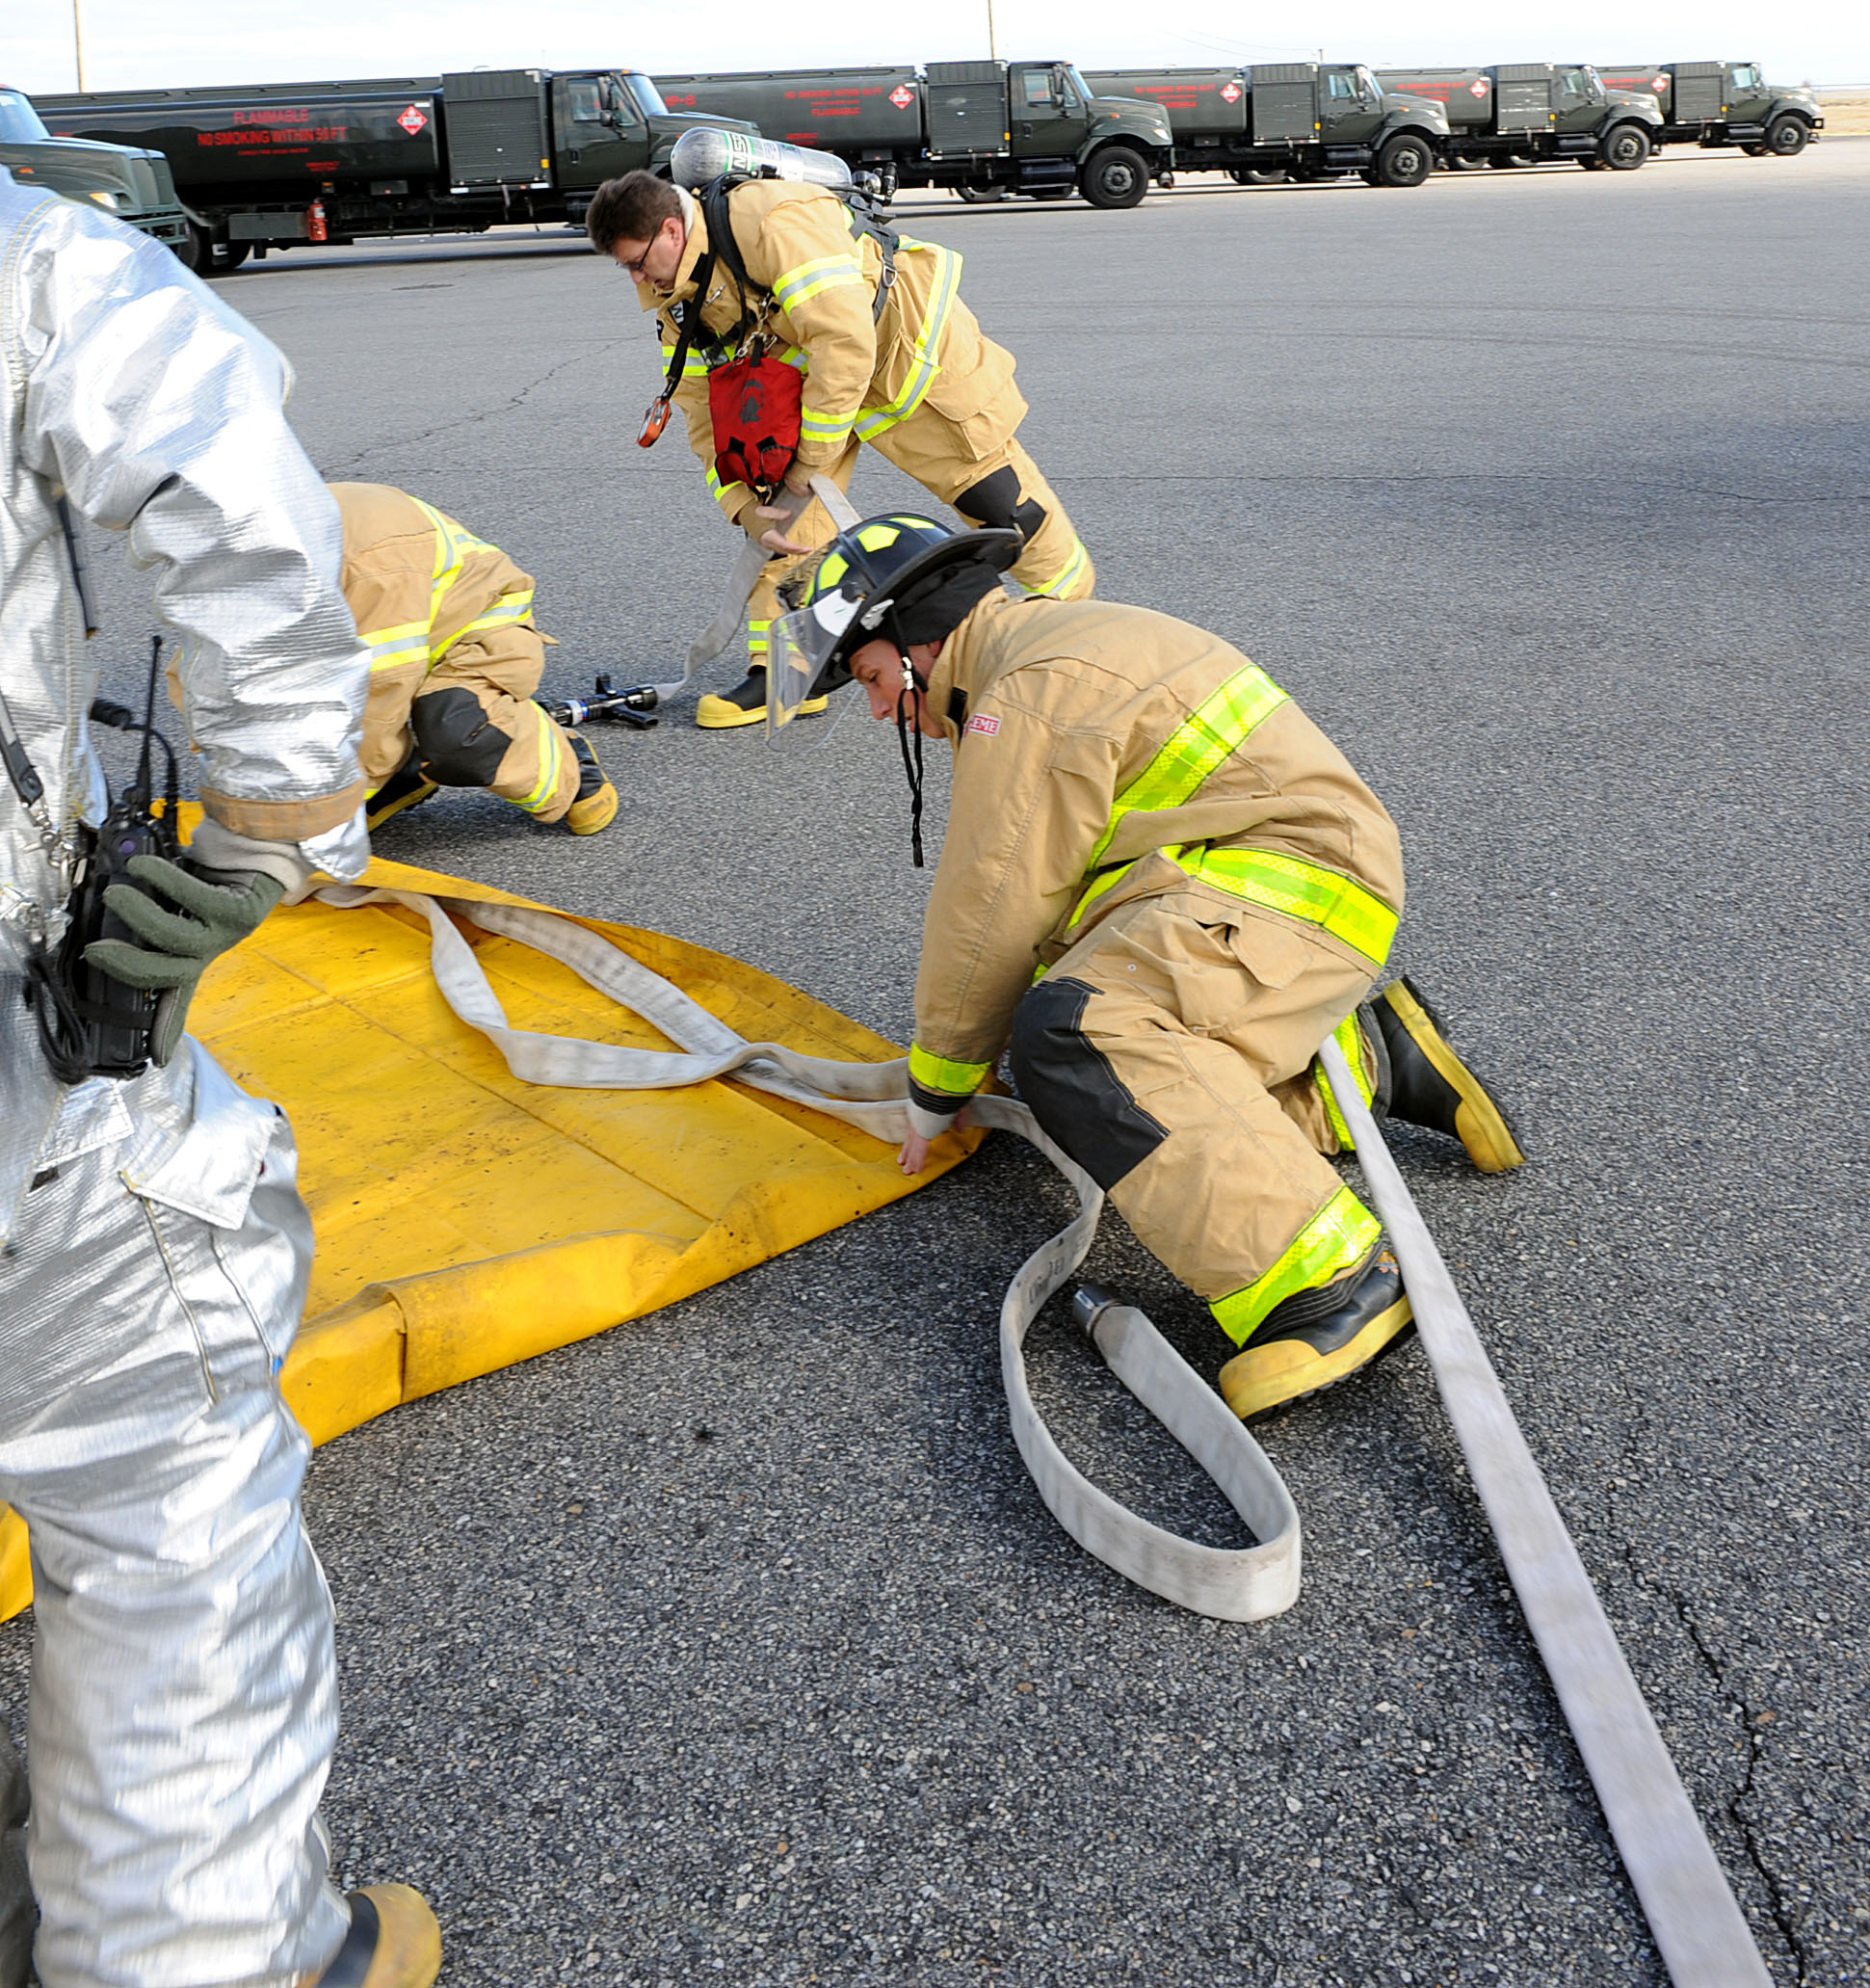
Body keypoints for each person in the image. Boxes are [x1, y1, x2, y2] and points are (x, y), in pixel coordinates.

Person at [0, 173, 438, 1985]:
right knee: (162, 1475)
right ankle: (215, 1951)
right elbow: (240, 507)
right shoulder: (31, 260)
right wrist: (268, 837)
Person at [767, 514, 1525, 1418]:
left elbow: (990, 904)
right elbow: (1045, 897)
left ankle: (1328, 1280)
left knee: (1081, 1037)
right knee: (1112, 1077)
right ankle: (1364, 1063)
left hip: (1282, 891)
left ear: (914, 636)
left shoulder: (1025, 696)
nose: (883, 708)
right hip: (1279, 886)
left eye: (872, 677)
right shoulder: (1041, 647)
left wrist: (937, 1086)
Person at [587, 168, 1095, 729]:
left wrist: (808, 459)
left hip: (908, 362)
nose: (637, 278)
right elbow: (701, 412)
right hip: (816, 390)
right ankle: (788, 672)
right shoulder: (674, 300)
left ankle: (1074, 637)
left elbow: (844, 340)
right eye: (625, 267)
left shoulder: (772, 222)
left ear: (671, 231)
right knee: (784, 520)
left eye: (637, 261)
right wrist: (743, 504)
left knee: (1004, 505)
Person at [330, 481, 618, 835]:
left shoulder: (369, 565)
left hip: (473, 633)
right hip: (395, 639)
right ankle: (403, 770)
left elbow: (377, 699)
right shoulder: (271, 542)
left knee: (457, 730)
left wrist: (322, 819)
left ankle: (567, 764)